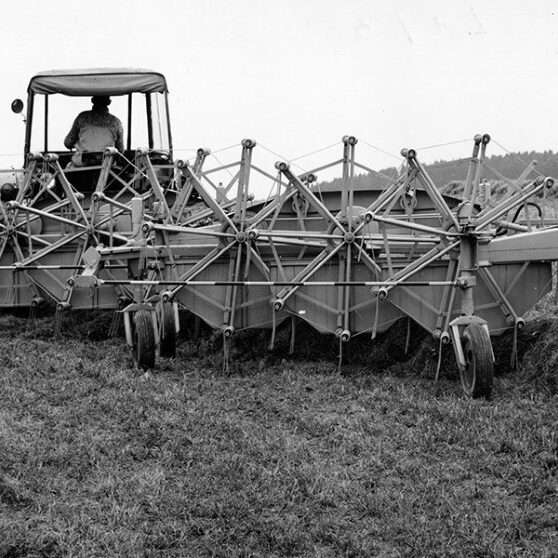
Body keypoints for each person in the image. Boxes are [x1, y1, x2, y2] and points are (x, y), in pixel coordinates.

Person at [64, 96, 124, 166]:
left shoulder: (82, 117)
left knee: (69, 166)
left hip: (82, 163)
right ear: (109, 102)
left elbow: (68, 143)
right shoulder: (116, 122)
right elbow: (120, 150)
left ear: (92, 100)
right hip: (106, 165)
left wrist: (78, 143)